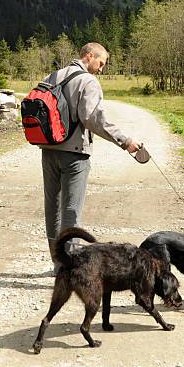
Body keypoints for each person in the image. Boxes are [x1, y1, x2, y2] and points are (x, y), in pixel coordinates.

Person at [39, 42, 141, 269]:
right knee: (71, 211)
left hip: (48, 151)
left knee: (52, 209)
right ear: (89, 55)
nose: (101, 69)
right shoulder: (88, 81)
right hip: (75, 155)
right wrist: (125, 141)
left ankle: (58, 263)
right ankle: (70, 267)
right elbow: (93, 118)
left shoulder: (52, 76)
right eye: (101, 62)